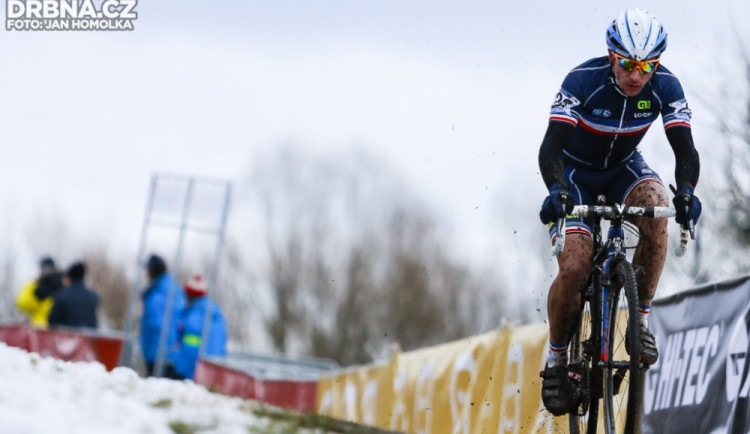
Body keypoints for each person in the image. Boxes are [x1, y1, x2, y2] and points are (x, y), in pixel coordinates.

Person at [537, 8, 702, 415]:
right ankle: (558, 358)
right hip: (576, 174)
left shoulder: (666, 86)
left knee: (659, 204)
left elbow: (685, 148)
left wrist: (687, 192)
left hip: (622, 169)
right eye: (628, 64)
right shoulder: (582, 82)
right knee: (575, 268)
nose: (637, 76)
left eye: (647, 66)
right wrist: (557, 189)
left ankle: (640, 321)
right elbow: (551, 146)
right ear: (612, 55)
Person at [173, 274, 227, 380]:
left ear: (190, 294)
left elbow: (190, 347)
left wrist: (180, 370)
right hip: (214, 370)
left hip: (192, 370)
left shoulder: (194, 316)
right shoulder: (216, 313)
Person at [140, 254, 185, 378]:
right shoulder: (174, 290)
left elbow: (155, 324)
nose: (147, 274)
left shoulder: (158, 293)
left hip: (158, 352)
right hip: (171, 353)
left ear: (153, 270)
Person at [15, 257, 64, 328]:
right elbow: (21, 304)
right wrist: (37, 296)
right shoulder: (34, 285)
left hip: (57, 330)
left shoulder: (62, 285)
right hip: (37, 328)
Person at [48, 261, 99, 329]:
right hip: (87, 338)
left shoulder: (61, 296)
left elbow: (52, 322)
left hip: (66, 338)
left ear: (69, 277)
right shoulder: (94, 297)